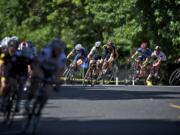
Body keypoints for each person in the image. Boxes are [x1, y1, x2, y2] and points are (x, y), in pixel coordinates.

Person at [24, 38, 66, 116]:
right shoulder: (46, 52)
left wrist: (56, 82)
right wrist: (36, 76)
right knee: (36, 82)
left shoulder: (62, 57)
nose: (58, 51)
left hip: (51, 72)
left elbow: (59, 72)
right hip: (41, 68)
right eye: (56, 49)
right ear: (53, 48)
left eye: (59, 50)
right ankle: (28, 101)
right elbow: (36, 65)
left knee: (47, 92)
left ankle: (39, 111)